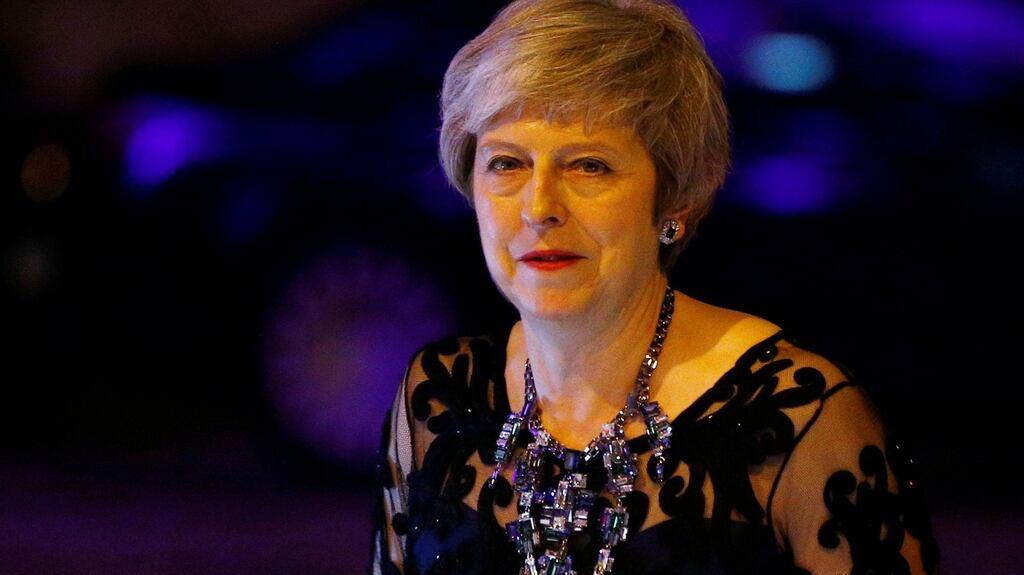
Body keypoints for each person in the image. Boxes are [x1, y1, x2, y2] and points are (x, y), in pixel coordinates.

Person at [370, 0, 939, 573]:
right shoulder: (439, 395)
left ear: (675, 198)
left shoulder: (797, 415)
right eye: (507, 164)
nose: (539, 207)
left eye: (588, 165)